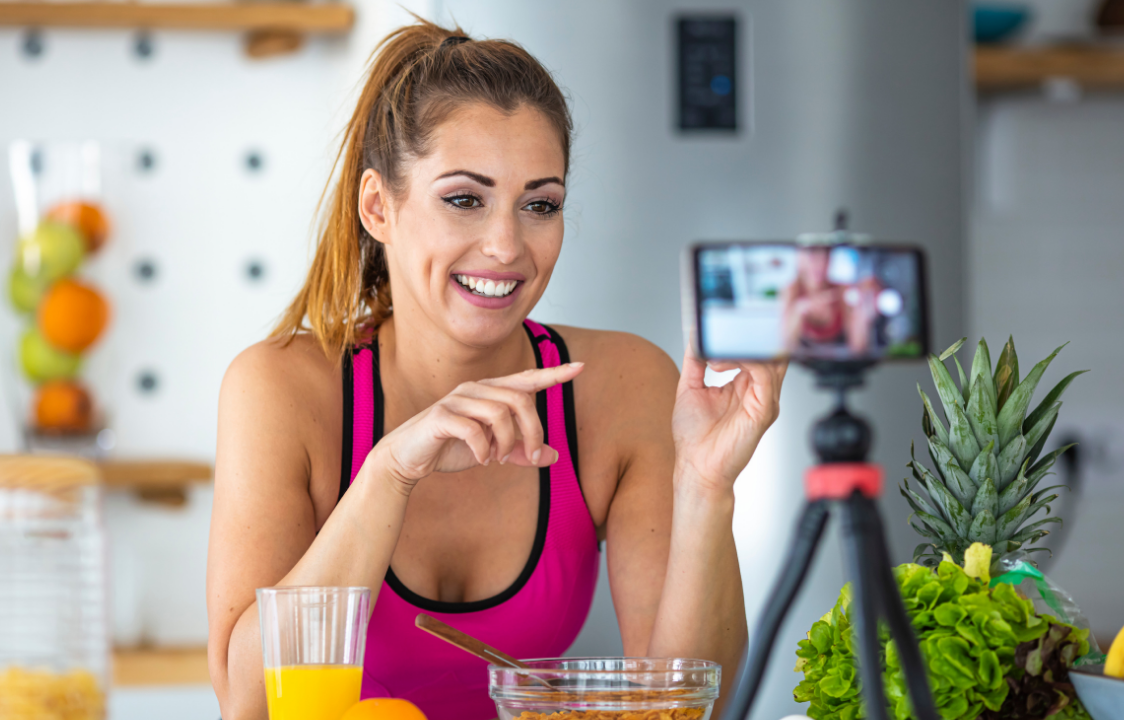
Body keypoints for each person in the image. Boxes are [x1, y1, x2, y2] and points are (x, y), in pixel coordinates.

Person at [207, 19, 785, 720]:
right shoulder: (282, 389)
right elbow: (248, 704)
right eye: (464, 199)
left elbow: (688, 705)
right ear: (377, 206)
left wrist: (705, 486)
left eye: (540, 205)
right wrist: (389, 475)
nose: (507, 245)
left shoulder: (623, 385)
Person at [780, 246, 877, 356]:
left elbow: (859, 348)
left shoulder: (843, 290)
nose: (820, 264)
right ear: (801, 259)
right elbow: (787, 346)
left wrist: (862, 315)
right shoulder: (791, 291)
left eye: (825, 258)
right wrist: (800, 308)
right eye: (813, 257)